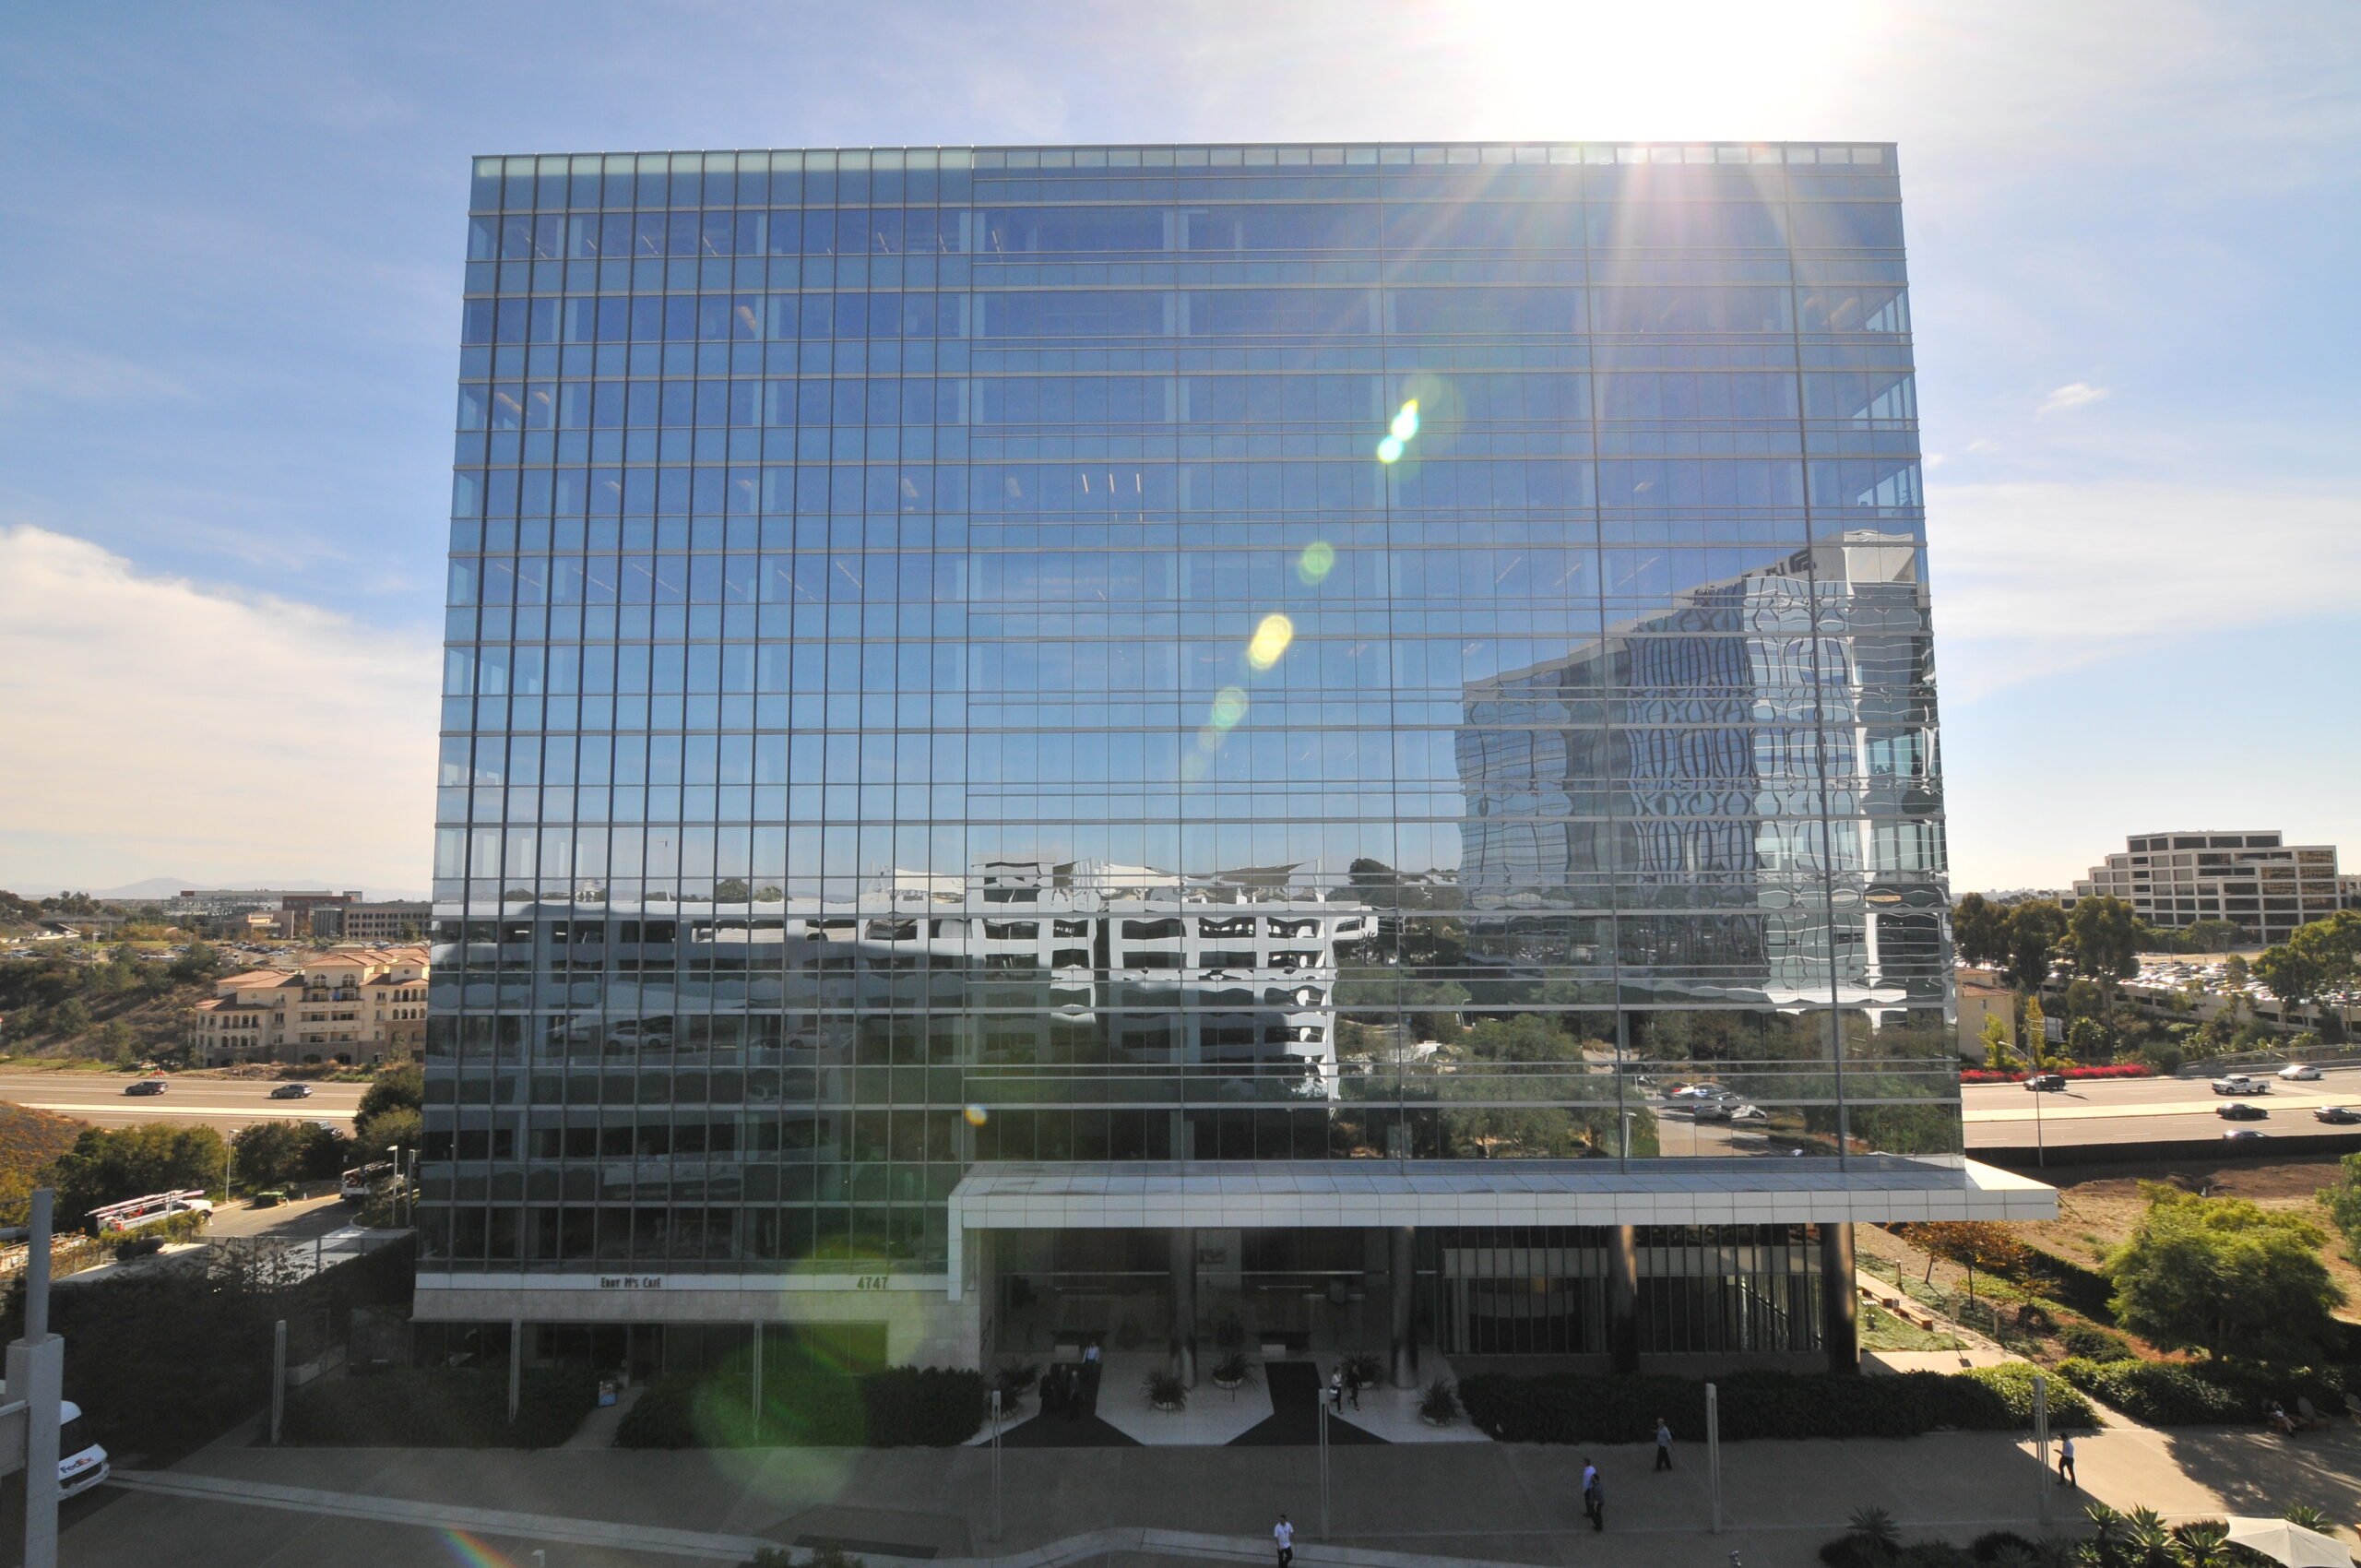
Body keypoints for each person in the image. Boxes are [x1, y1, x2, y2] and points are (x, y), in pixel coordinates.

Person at [1581, 1458, 1600, 1530]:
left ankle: (1589, 1512)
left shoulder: (1586, 1472)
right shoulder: (1593, 1468)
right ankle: (1590, 1510)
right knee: (1590, 1499)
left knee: (1587, 1500)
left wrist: (1584, 1490)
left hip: (1588, 1489)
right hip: (1592, 1487)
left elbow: (1585, 1482)